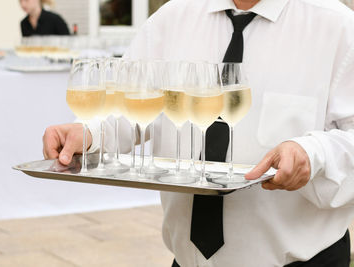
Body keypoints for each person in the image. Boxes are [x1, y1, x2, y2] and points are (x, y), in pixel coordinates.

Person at [43, 0, 354, 266]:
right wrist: (89, 132)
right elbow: (130, 106)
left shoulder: (337, 26)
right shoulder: (172, 17)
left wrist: (314, 154)